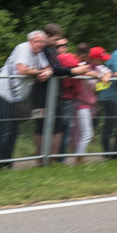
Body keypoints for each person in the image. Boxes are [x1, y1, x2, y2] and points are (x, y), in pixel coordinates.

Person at [0, 30, 49, 170]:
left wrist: (47, 72)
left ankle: (7, 164)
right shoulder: (23, 48)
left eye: (42, 42)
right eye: (37, 42)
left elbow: (48, 67)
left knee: (13, 132)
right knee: (4, 131)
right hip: (3, 93)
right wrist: (40, 73)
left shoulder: (39, 53)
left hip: (17, 98)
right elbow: (22, 70)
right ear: (30, 42)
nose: (39, 45)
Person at [38, 24, 90, 163]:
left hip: (58, 94)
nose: (57, 44)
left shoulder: (50, 50)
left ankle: (55, 159)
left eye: (62, 43)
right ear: (47, 36)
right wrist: (73, 71)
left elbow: (56, 68)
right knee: (43, 126)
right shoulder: (43, 50)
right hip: (45, 93)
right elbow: (56, 69)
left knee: (59, 126)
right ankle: (42, 160)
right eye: (56, 40)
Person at [70, 44, 110, 162]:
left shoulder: (95, 66)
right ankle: (78, 161)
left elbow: (108, 72)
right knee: (86, 134)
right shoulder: (82, 65)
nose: (102, 61)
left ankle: (79, 159)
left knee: (84, 134)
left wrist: (105, 76)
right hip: (80, 103)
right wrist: (98, 75)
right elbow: (84, 72)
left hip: (90, 104)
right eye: (101, 59)